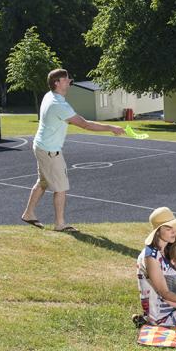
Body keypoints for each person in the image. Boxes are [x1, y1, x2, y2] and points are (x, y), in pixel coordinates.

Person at [20, 68, 124, 232]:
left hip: (41, 146)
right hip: (50, 151)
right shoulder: (58, 104)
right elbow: (85, 124)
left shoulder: (50, 95)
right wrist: (111, 127)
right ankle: (60, 224)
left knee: (43, 182)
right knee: (61, 187)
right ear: (57, 83)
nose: (70, 81)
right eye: (67, 79)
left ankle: (28, 213)